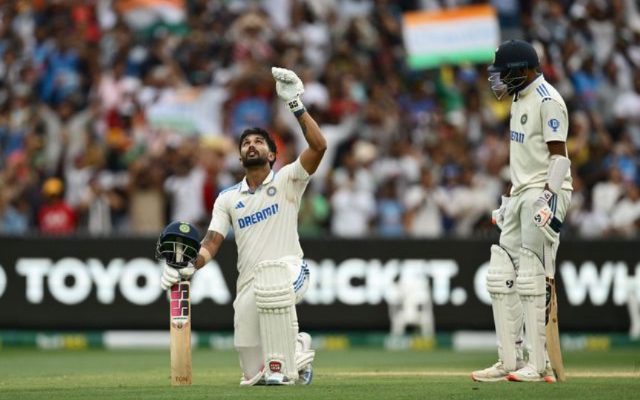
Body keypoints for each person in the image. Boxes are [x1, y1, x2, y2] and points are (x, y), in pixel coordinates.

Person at [160, 67, 327, 386]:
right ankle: (296, 348)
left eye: (259, 142)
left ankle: (284, 360)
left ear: (273, 154)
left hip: (290, 270)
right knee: (253, 375)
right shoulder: (227, 199)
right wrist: (187, 268)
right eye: (246, 142)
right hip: (249, 285)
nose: (251, 145)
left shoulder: (288, 180)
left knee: (272, 288)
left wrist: (296, 105)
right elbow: (211, 242)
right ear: (239, 157)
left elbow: (319, 147)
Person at [471, 40, 572, 383]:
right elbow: (525, 158)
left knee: (532, 276)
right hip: (521, 193)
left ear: (522, 71)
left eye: (504, 73)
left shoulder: (548, 101)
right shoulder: (518, 98)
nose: (498, 80)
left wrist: (547, 198)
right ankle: (509, 360)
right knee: (502, 275)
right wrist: (511, 197)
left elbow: (559, 158)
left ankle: (539, 362)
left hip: (546, 191)